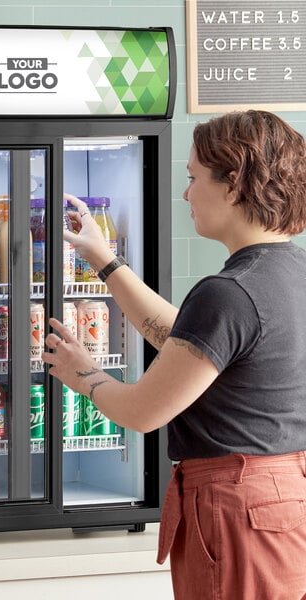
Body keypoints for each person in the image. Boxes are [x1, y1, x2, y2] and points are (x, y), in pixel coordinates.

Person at [42, 110, 306, 600]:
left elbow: (143, 411)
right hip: (284, 495)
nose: (185, 194)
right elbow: (186, 341)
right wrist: (105, 259)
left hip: (235, 505)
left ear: (232, 184)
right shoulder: (288, 273)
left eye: (192, 178)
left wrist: (85, 375)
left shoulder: (229, 292)